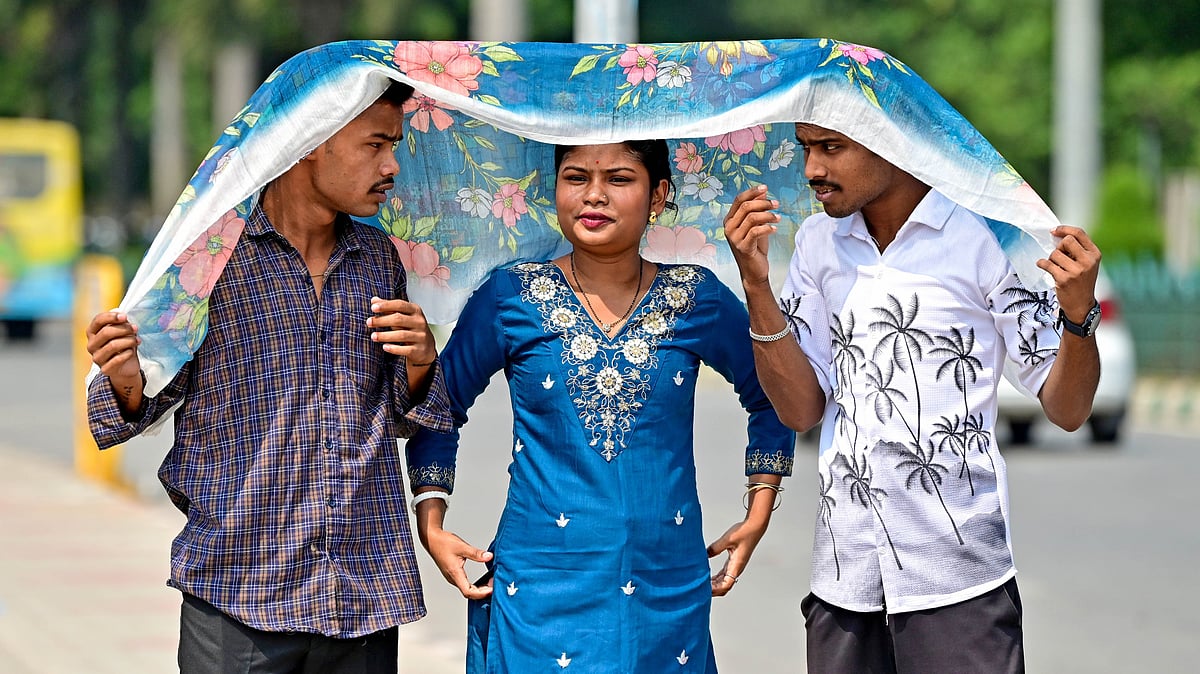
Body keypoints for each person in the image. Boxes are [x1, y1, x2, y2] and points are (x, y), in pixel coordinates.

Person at [84, 81, 454, 674]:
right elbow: (131, 405)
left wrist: (419, 361)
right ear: (311, 141)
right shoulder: (209, 262)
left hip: (360, 595)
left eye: (397, 145)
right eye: (376, 144)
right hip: (239, 594)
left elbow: (406, 415)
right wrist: (130, 373)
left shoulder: (380, 259)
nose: (392, 166)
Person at [722, 122, 1102, 673]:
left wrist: (1078, 316)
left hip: (961, 582)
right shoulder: (816, 243)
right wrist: (757, 285)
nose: (811, 170)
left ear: (893, 141)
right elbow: (800, 410)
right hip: (843, 580)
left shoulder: (988, 238)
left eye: (831, 148)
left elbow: (1068, 410)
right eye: (807, 148)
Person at [405, 140, 796, 673]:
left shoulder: (696, 297)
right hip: (539, 585)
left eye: (618, 179)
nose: (594, 196)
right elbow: (438, 403)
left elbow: (775, 395)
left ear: (658, 194)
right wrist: (432, 520)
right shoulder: (511, 295)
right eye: (575, 178)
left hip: (664, 584)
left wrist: (760, 507)